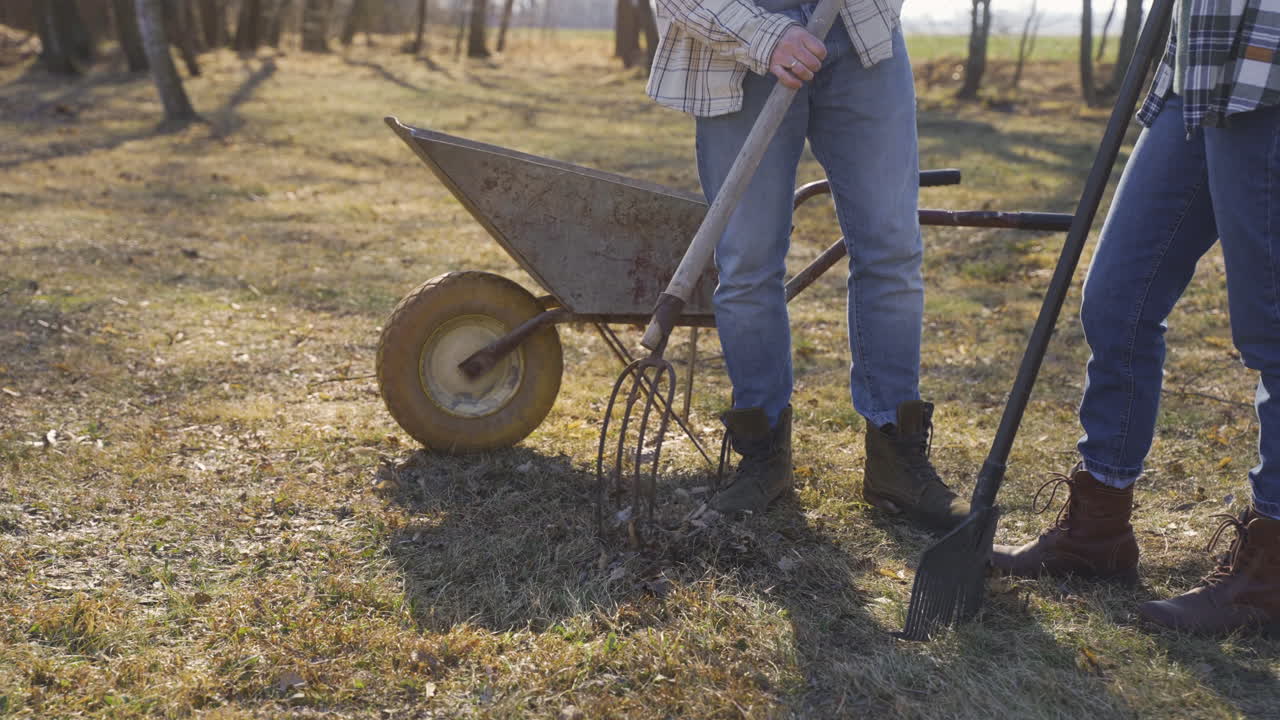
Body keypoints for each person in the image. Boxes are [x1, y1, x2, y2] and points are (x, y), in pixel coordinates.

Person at [991, 0, 1280, 635]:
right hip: (1194, 63)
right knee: (1118, 299)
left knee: (1272, 329)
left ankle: (1269, 575)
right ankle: (1098, 527)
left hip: (1267, 61)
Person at [646, 0, 967, 531]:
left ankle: (895, 454)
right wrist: (763, 34)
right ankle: (762, 455)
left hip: (862, 27)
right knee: (747, 262)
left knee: (892, 250)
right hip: (739, 41)